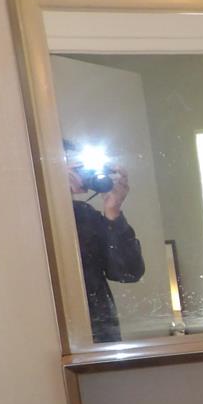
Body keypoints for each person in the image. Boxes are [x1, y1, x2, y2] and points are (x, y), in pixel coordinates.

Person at [65, 142, 144, 343]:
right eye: (77, 168)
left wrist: (113, 211)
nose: (83, 174)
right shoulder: (24, 221)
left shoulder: (85, 216)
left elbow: (128, 273)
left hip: (99, 338)